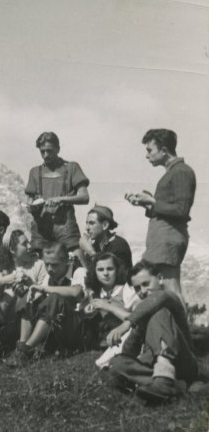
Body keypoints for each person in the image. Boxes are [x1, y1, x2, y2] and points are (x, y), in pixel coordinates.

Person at [107, 261, 197, 404]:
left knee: (159, 313)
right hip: (154, 366)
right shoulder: (143, 312)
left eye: (146, 284)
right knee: (117, 364)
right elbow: (129, 352)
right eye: (137, 288)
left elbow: (159, 298)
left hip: (184, 362)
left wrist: (127, 323)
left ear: (160, 278)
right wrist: (138, 329)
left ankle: (164, 379)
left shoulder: (170, 297)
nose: (142, 291)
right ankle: (176, 385)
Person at [125, 129, 196, 296]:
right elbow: (167, 209)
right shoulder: (173, 172)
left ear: (164, 150)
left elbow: (182, 209)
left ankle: (181, 323)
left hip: (168, 239)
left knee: (171, 289)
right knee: (159, 291)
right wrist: (145, 204)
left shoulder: (181, 171)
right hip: (162, 239)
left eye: (150, 150)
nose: (147, 155)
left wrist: (152, 201)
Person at [4, 242, 83, 367]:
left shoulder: (78, 271)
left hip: (75, 329)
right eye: (47, 264)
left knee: (54, 298)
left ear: (66, 261)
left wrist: (44, 288)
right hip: (56, 327)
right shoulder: (50, 276)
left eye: (55, 265)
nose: (50, 269)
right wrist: (29, 289)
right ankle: (23, 348)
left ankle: (27, 349)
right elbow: (44, 301)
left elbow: (76, 292)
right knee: (27, 296)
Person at [25, 132, 89, 255]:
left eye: (49, 151)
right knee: (37, 263)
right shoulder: (34, 172)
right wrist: (31, 207)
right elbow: (30, 199)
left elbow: (84, 197)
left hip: (65, 227)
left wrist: (61, 199)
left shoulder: (71, 168)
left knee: (77, 257)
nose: (45, 155)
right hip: (41, 228)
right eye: (42, 151)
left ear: (58, 149)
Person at [0, 229, 48, 356]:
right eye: (24, 244)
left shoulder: (38, 265)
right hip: (7, 318)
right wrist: (2, 282)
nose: (29, 246)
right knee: (7, 296)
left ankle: (22, 345)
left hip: (32, 314)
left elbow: (46, 294)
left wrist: (29, 284)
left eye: (28, 242)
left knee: (19, 295)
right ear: (12, 249)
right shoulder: (2, 272)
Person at [79, 253, 139, 351]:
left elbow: (135, 319)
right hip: (97, 342)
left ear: (117, 270)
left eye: (110, 269)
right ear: (94, 272)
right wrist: (86, 312)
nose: (105, 273)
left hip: (121, 337)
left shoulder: (126, 289)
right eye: (100, 270)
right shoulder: (94, 292)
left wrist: (108, 306)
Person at [78, 205, 132, 272]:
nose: (87, 228)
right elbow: (90, 273)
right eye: (87, 223)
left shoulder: (119, 245)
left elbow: (109, 275)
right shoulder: (95, 245)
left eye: (91, 223)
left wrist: (91, 252)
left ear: (105, 225)